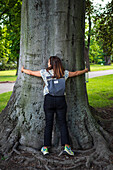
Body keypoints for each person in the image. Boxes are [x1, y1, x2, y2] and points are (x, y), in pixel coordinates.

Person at [21, 56, 88, 156]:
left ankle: (45, 147)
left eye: (49, 62)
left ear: (51, 64)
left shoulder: (44, 72)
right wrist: (85, 70)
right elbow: (76, 73)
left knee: (49, 124)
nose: (47, 64)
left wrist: (23, 70)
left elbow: (31, 72)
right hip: (61, 100)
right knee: (63, 123)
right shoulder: (64, 73)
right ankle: (67, 147)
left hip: (49, 100)